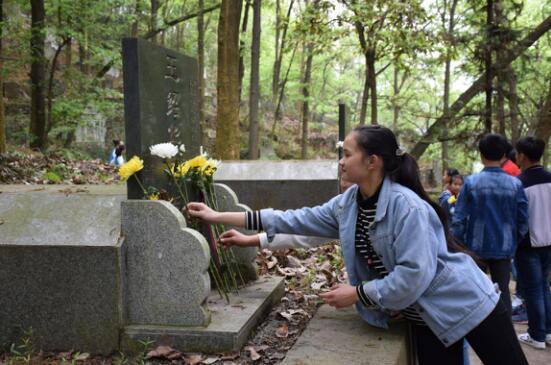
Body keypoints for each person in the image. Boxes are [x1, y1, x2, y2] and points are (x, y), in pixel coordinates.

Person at [188, 125, 528, 365]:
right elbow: (296, 219)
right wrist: (219, 216)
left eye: (347, 154)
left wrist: (358, 293)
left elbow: (414, 276)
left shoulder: (406, 208)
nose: (340, 161)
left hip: (469, 305)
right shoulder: (350, 202)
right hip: (426, 319)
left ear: (372, 161)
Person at [452, 133, 529, 316]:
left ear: (481, 154)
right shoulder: (515, 184)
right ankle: (504, 335)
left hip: (475, 247)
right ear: (504, 155)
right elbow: (523, 220)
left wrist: (459, 245)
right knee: (503, 291)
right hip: (504, 246)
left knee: (474, 291)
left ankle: (475, 333)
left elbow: (459, 219)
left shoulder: (471, 183)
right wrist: (513, 241)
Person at [514, 136, 551, 349]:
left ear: (522, 156)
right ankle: (547, 332)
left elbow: (518, 218)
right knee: (544, 287)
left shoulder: (520, 183)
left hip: (528, 243)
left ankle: (536, 335)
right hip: (549, 241)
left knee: (533, 290)